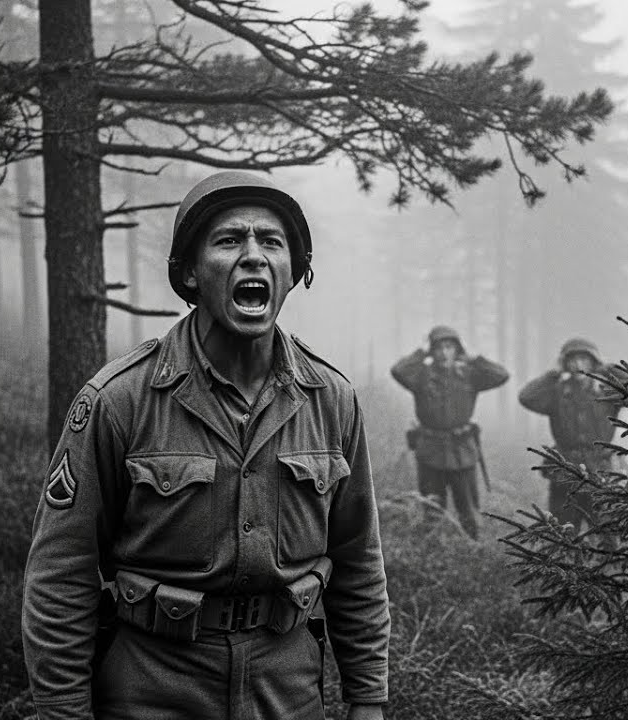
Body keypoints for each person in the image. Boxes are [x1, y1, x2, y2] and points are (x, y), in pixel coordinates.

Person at [21, 171, 389, 720]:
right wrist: (64, 712)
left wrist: (369, 699)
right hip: (152, 692)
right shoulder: (120, 399)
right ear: (190, 272)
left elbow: (358, 560)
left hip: (287, 695)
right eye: (229, 240)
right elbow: (61, 572)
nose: (254, 256)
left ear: (294, 272)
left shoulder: (331, 399)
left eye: (272, 242)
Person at [390, 326, 508, 540]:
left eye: (449, 347)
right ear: (432, 352)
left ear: (457, 350)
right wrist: (421, 352)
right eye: (439, 348)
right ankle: (434, 549)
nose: (444, 353)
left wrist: (474, 358)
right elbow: (398, 371)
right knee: (431, 510)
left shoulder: (469, 375)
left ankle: (473, 549)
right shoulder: (421, 376)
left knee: (469, 512)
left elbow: (501, 375)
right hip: (430, 452)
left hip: (462, 452)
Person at [518, 337, 628, 532]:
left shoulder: (608, 391)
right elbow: (526, 397)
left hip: (601, 472)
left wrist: (606, 369)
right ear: (565, 364)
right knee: (563, 533)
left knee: (607, 535)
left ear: (593, 362)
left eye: (584, 359)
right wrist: (553, 374)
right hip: (565, 472)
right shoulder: (557, 392)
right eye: (572, 360)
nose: (579, 365)